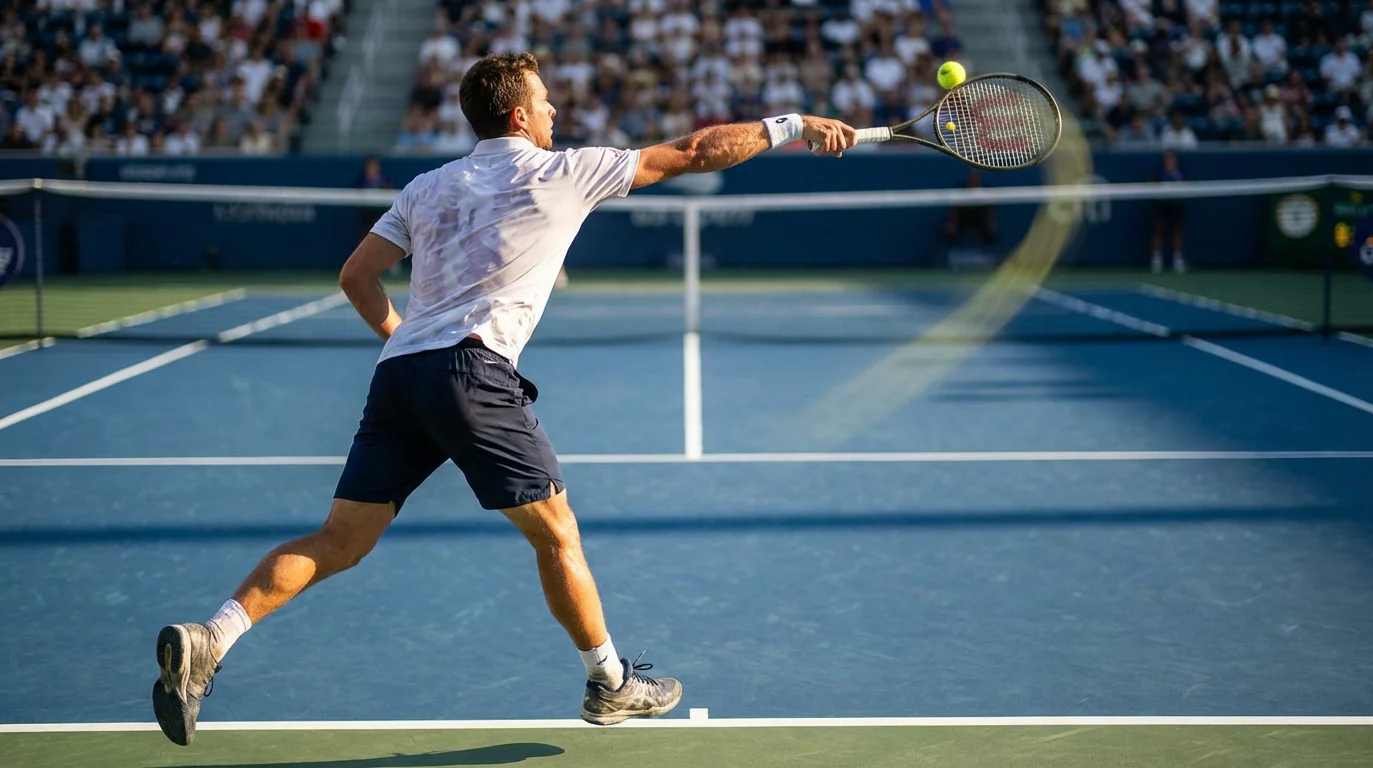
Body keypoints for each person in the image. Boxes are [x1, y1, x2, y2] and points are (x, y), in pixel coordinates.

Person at [150, 51, 857, 747]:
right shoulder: (564, 170)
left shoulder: (425, 187)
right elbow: (696, 150)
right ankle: (610, 683)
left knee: (339, 541)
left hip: (399, 378)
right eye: (546, 101)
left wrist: (405, 339)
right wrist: (794, 124)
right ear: (519, 115)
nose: (557, 111)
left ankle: (213, 636)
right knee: (557, 534)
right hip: (473, 373)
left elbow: (356, 277)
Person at [1150, 149, 1187, 273]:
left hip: (1175, 206)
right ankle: (1156, 259)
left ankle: (1178, 260)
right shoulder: (1159, 175)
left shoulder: (1180, 175)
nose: (1169, 162)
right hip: (1162, 206)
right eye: (1167, 160)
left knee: (1177, 232)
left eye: (1172, 160)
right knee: (1158, 231)